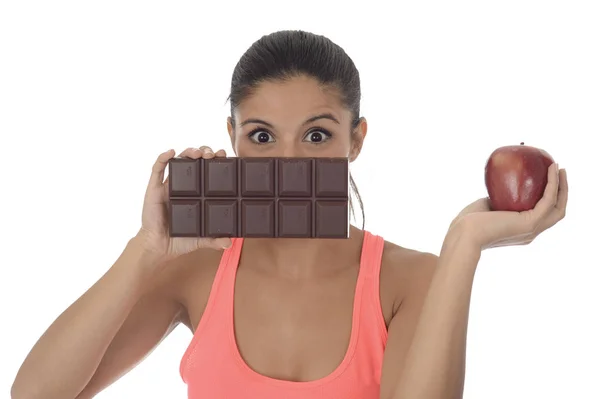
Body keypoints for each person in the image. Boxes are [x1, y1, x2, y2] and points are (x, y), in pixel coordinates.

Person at [11, 30, 568, 399]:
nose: (290, 161)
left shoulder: (411, 280)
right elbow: (33, 395)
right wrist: (144, 251)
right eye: (261, 136)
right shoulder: (197, 268)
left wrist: (465, 243)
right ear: (232, 138)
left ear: (356, 140)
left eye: (318, 135)